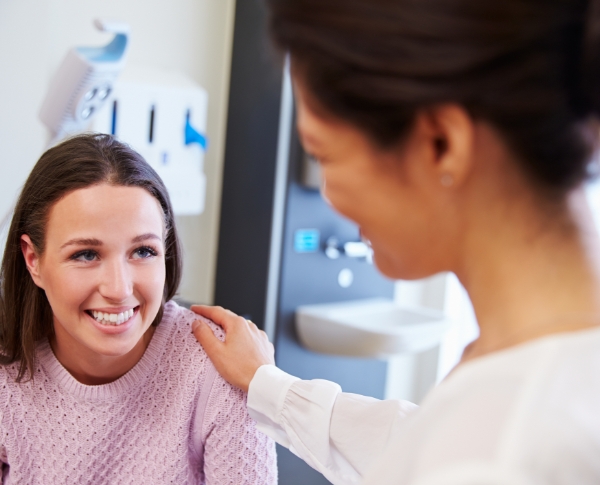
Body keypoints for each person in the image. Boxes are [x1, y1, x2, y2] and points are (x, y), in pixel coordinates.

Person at [191, 0, 600, 484]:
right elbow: (418, 439)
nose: (328, 195)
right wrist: (269, 386)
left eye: (324, 155)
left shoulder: (511, 449)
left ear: (440, 143)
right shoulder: (539, 373)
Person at [0, 133, 277, 484]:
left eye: (143, 251)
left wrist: (267, 387)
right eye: (85, 254)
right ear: (33, 259)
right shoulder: (6, 374)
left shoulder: (221, 368)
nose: (119, 289)